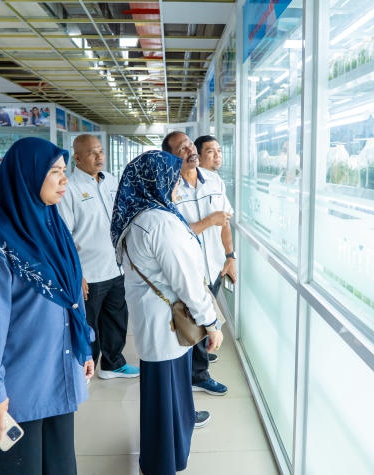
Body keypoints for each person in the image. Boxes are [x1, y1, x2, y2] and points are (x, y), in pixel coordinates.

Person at [0, 137, 94, 474]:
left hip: (58, 374)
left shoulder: (52, 226)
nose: (64, 179)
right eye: (55, 172)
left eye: (65, 171)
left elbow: (70, 295)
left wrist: (84, 347)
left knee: (60, 466)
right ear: (27, 176)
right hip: (15, 388)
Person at [110, 150, 223, 475]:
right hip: (169, 325)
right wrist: (211, 323)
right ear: (155, 181)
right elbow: (188, 283)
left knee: (168, 397)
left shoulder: (139, 215)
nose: (179, 186)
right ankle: (162, 463)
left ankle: (168, 455)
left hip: (157, 324)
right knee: (164, 401)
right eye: (173, 179)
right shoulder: (160, 223)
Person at [58, 134, 139, 379]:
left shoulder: (112, 181)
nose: (99, 156)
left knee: (116, 318)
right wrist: (76, 274)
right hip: (89, 272)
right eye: (92, 153)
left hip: (116, 267)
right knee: (89, 324)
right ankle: (86, 368)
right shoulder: (69, 188)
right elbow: (64, 236)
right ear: (78, 157)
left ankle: (113, 363)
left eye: (101, 151)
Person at [162, 131, 236, 396]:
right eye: (182, 149)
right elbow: (170, 234)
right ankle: (198, 376)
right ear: (170, 157)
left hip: (213, 265)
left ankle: (198, 370)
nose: (189, 150)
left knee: (206, 322)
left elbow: (225, 223)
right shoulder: (167, 188)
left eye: (190, 144)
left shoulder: (214, 181)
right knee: (194, 320)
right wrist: (208, 222)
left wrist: (230, 257)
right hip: (188, 270)